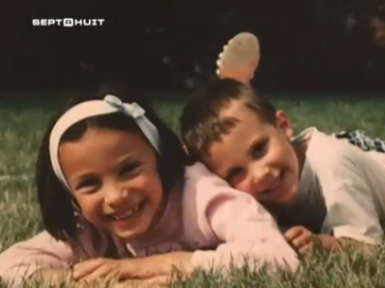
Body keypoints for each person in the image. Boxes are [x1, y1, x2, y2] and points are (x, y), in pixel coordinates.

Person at [0, 84, 299, 287]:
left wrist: (152, 266)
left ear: (159, 158)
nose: (116, 196)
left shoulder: (202, 197)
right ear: (72, 196)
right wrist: (87, 280)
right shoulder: (91, 225)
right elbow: (8, 266)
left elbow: (278, 259)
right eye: (90, 184)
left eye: (129, 169)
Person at [179, 32, 385, 254]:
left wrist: (319, 243)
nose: (259, 174)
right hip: (369, 165)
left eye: (259, 149)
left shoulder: (331, 166)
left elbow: (368, 248)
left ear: (284, 126)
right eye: (235, 173)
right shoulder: (260, 185)